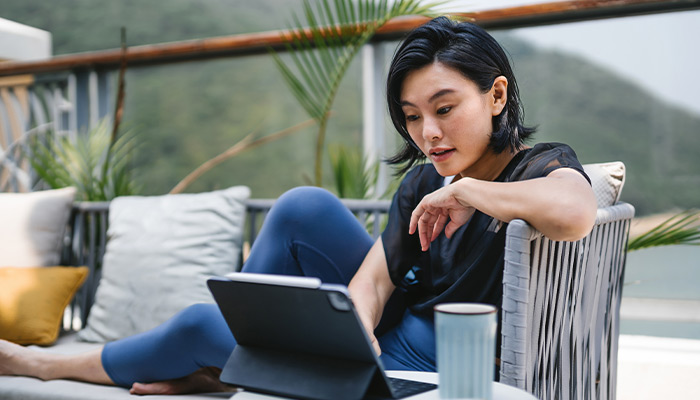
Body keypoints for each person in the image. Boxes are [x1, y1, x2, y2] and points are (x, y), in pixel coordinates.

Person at [0, 16, 597, 395]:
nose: (428, 134)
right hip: (384, 347)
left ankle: (45, 366)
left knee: (197, 324)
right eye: (412, 117)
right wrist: (348, 337)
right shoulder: (423, 185)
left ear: (496, 95)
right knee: (302, 207)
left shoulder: (535, 166)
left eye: (444, 109)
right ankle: (241, 362)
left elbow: (575, 213)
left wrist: (470, 192)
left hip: (440, 365)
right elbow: (373, 285)